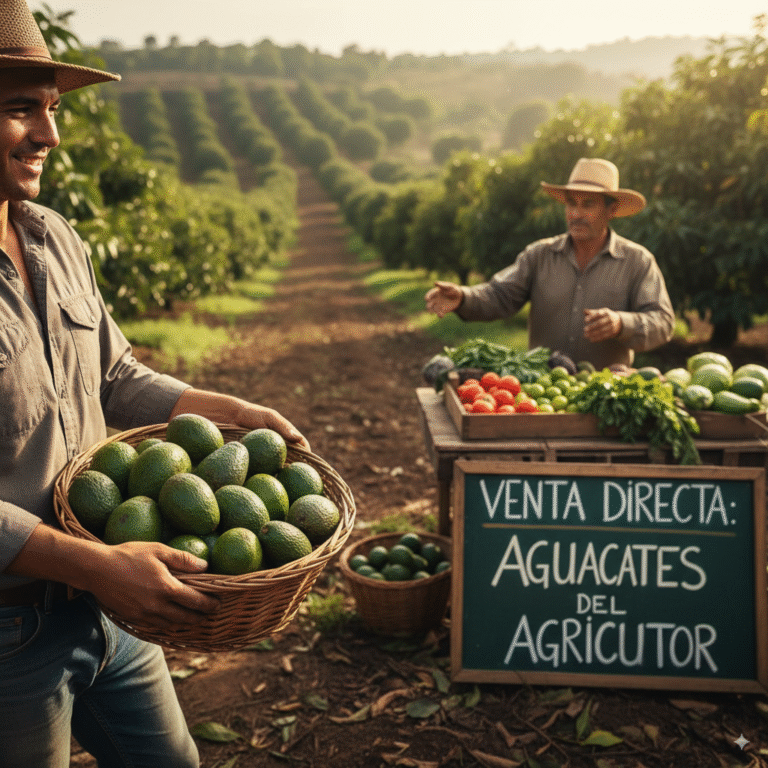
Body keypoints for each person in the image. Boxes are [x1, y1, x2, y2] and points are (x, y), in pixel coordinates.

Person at [0, 2, 308, 766]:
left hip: (116, 595)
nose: (50, 134)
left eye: (52, 108)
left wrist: (230, 410)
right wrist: (95, 564)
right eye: (19, 109)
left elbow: (113, 375)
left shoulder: (55, 237)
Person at [425, 157, 675, 370]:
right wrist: (464, 297)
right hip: (543, 392)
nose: (576, 214)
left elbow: (663, 322)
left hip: (606, 395)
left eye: (588, 204)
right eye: (571, 204)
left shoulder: (636, 261)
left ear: (611, 211)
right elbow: (499, 295)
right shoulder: (539, 255)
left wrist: (622, 323)